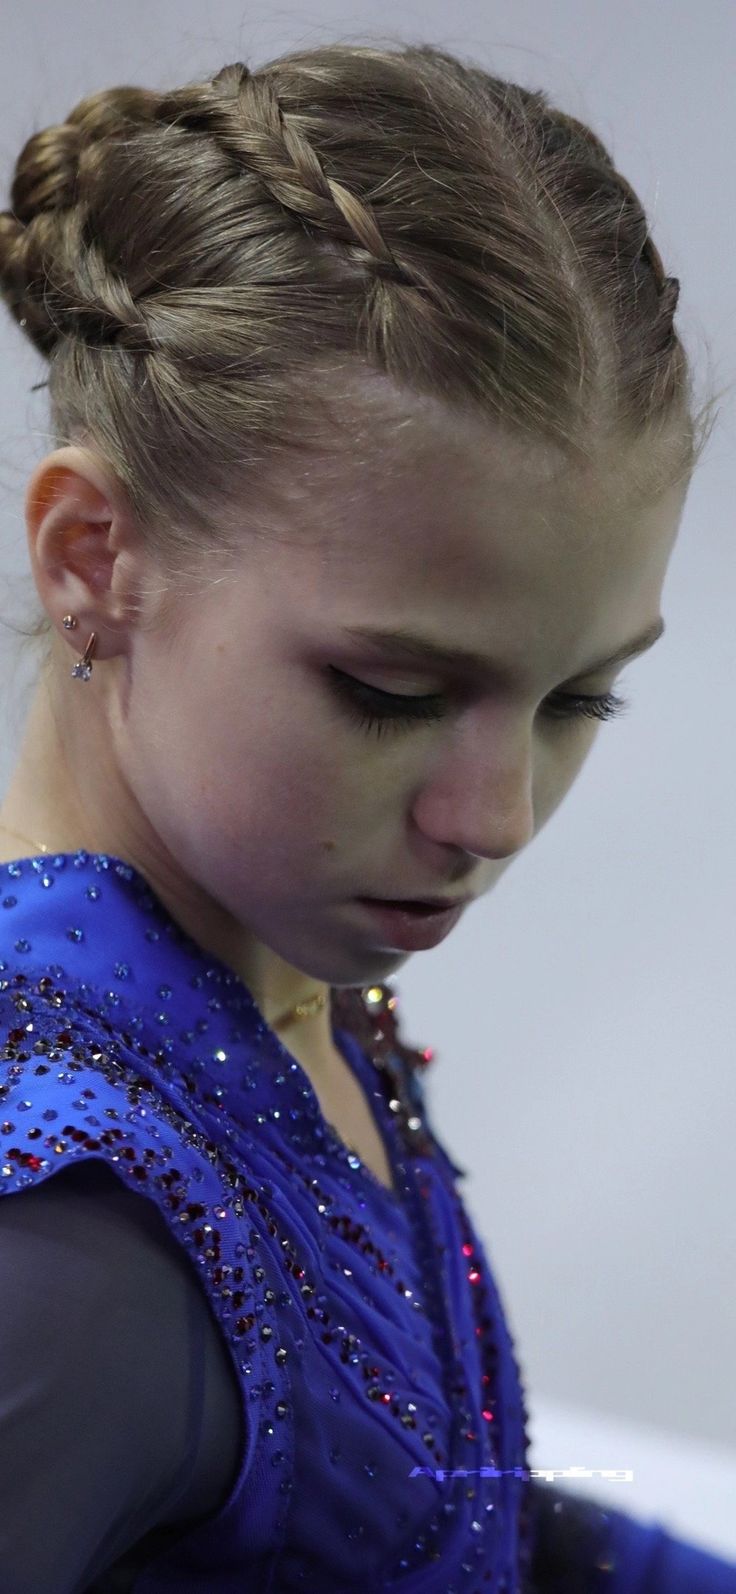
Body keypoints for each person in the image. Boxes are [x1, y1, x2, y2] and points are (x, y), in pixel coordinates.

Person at [0, 36, 732, 1594]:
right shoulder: (63, 1244)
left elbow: (433, 1506)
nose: (499, 812)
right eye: (392, 692)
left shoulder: (265, 962)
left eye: (578, 698)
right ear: (91, 557)